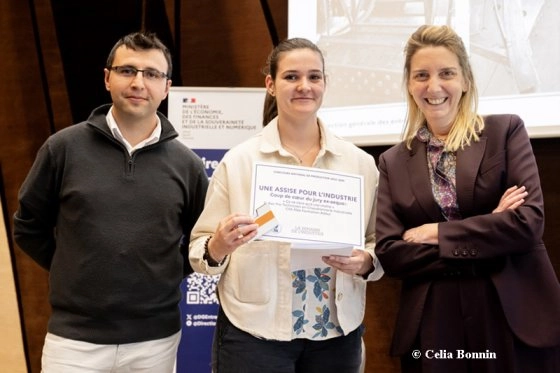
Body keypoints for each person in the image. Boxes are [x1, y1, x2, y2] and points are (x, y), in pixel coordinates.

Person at [13, 31, 209, 372]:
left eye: (151, 74)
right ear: (107, 78)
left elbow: (200, 242)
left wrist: (162, 277)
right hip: (74, 340)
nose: (138, 82)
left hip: (154, 341)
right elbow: (28, 227)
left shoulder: (187, 165)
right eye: (127, 70)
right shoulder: (62, 149)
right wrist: (73, 269)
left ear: (167, 87)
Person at [189, 37, 384, 373]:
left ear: (325, 83)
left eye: (314, 77)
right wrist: (218, 245)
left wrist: (368, 261)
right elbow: (200, 251)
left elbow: (378, 242)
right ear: (270, 84)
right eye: (291, 77)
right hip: (255, 334)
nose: (304, 86)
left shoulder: (360, 164)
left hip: (337, 332)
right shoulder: (239, 162)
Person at [375, 24, 560, 372]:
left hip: (511, 312)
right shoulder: (393, 162)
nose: (434, 86)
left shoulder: (505, 132)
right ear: (409, 85)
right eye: (421, 75)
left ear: (466, 80)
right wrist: (492, 228)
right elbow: (392, 253)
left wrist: (436, 233)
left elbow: (527, 224)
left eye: (446, 73)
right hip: (434, 322)